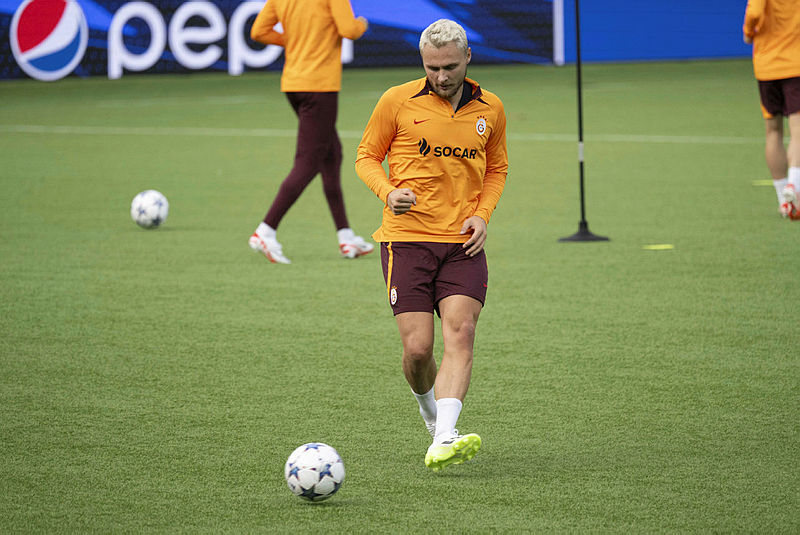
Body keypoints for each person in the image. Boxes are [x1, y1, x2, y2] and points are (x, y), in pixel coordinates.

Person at [355, 19, 508, 471]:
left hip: (462, 243)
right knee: (419, 350)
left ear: (468, 58)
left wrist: (483, 214)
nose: (441, 77)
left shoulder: (491, 108)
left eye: (450, 67)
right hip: (406, 241)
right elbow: (366, 157)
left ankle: (445, 437)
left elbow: (497, 168)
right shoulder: (396, 100)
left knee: (461, 332)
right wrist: (388, 193)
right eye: (432, 67)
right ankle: (431, 415)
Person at [248, 0, 374, 263]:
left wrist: (294, 41)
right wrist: (362, 24)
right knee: (308, 162)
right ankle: (266, 230)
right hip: (319, 86)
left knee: (332, 154)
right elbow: (349, 30)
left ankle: (346, 237)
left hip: (293, 85)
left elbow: (258, 31)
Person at [743, 0, 800, 219]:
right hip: (795, 63)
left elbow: (755, 11)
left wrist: (748, 33)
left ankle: (782, 198)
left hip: (767, 65)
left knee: (773, 131)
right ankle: (794, 184)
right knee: (797, 130)